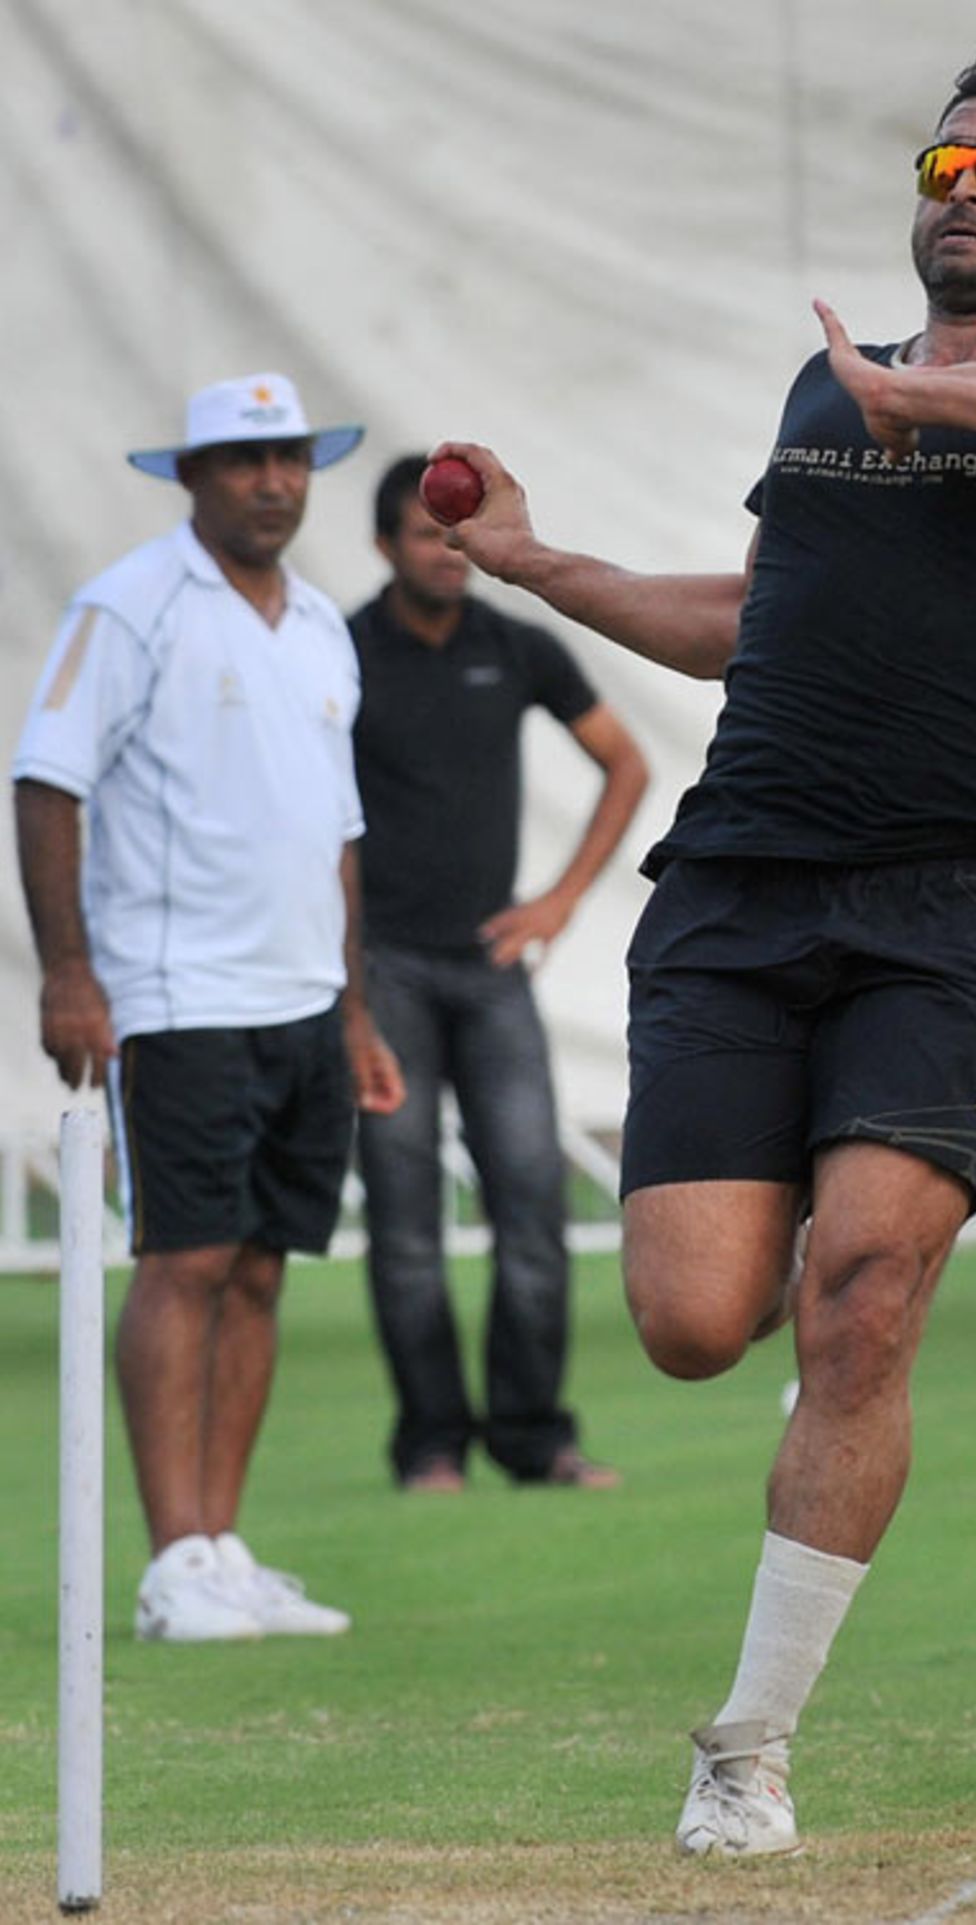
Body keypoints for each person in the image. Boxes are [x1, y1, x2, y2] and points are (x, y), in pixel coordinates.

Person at [423, 34, 976, 1854]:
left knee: (860, 1293)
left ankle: (748, 1747)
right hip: (741, 890)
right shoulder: (830, 388)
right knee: (699, 1323)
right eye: (946, 171)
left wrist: (915, 401)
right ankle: (821, 1378)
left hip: (952, 901)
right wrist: (543, 566)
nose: (966, 196)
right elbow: (753, 618)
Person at [13, 372, 404, 1643]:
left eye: (290, 458)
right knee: (183, 1258)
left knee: (260, 1265)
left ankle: (223, 1548)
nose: (273, 482)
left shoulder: (323, 630)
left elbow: (337, 833)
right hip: (177, 995)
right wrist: (69, 972)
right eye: (244, 461)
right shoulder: (127, 607)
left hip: (300, 998)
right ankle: (171, 1556)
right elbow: (47, 781)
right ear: (191, 475)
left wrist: (352, 1009)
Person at [348, 455, 649, 1492]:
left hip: (489, 967)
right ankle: (430, 1445)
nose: (446, 549)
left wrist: (560, 899)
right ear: (385, 544)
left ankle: (533, 1436)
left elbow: (627, 761)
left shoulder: (514, 644)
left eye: (456, 530)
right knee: (404, 1220)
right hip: (381, 969)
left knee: (530, 1200)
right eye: (425, 532)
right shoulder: (339, 654)